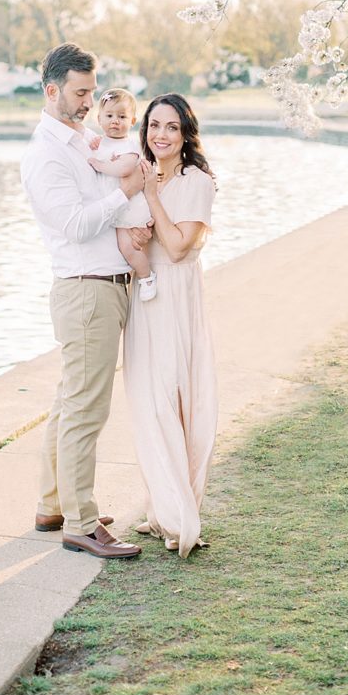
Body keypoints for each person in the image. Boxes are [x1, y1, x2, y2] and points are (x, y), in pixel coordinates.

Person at [20, 42, 150, 560]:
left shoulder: (84, 140)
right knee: (86, 410)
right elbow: (74, 226)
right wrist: (125, 194)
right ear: (52, 91)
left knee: (69, 402)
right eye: (80, 92)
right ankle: (82, 523)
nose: (88, 101)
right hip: (85, 290)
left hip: (106, 286)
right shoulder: (45, 155)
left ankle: (55, 505)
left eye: (92, 92)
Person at [123, 93, 218, 558]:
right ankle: (161, 507)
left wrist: (152, 199)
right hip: (145, 299)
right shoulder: (141, 172)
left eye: (171, 127)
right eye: (153, 125)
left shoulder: (196, 181)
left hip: (176, 299)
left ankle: (181, 514)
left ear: (185, 134)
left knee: (174, 403)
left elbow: (179, 246)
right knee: (146, 401)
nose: (160, 135)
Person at [86, 88, 157, 301]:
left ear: (133, 120)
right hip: (114, 207)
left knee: (128, 247)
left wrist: (100, 164)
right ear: (99, 119)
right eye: (109, 116)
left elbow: (125, 169)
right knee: (121, 247)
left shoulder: (129, 145)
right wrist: (96, 149)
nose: (115, 121)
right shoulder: (100, 143)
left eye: (122, 116)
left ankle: (146, 277)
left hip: (129, 207)